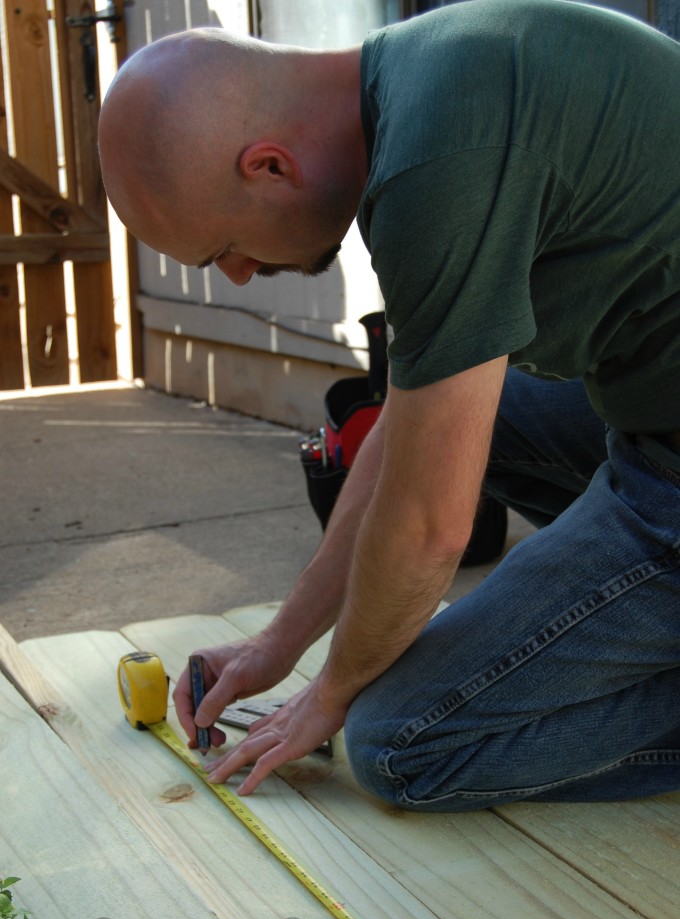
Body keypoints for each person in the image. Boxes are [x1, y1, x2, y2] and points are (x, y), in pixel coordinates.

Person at [98, 0, 680, 810]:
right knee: (479, 416)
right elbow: (416, 428)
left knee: (399, 741)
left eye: (222, 250)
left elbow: (431, 527)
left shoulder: (435, 168)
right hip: (649, 413)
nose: (236, 277)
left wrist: (329, 693)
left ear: (269, 167)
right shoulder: (423, 75)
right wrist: (282, 642)